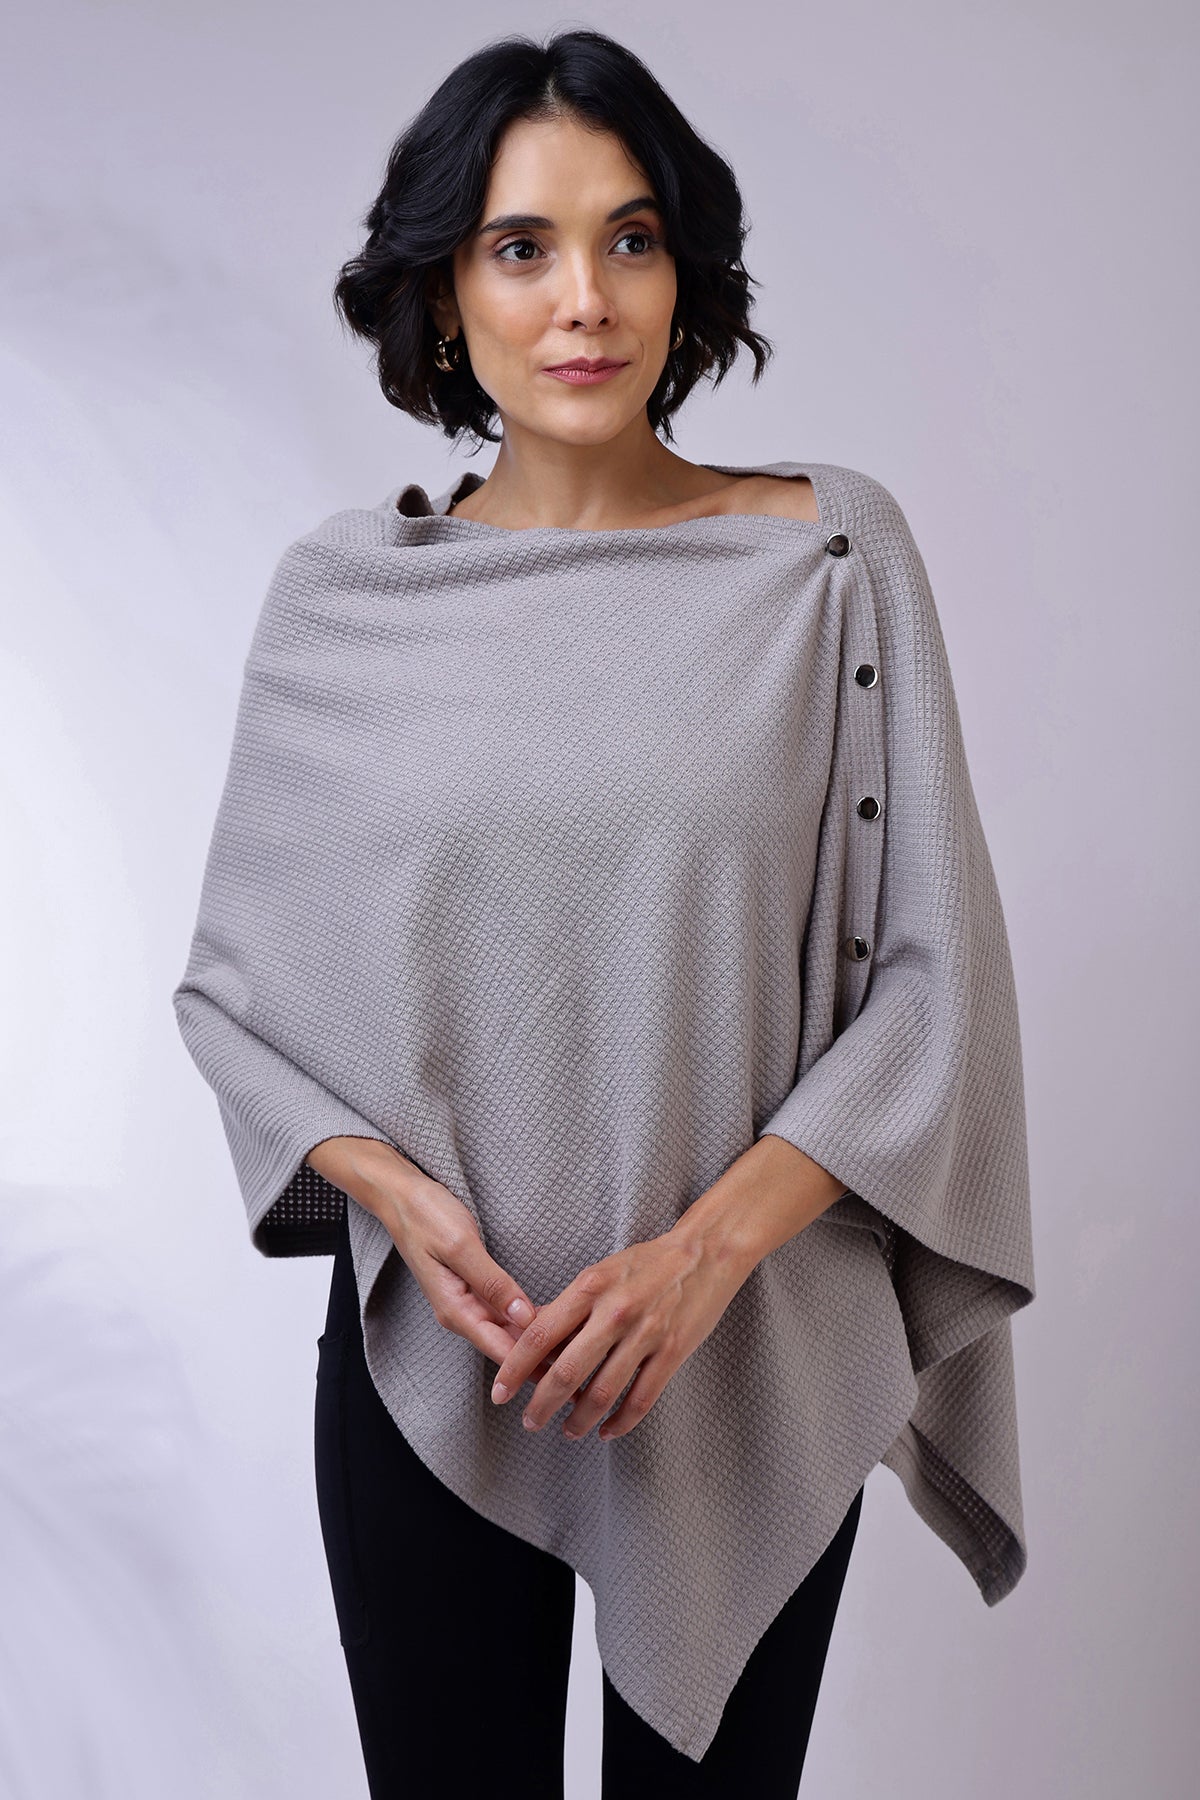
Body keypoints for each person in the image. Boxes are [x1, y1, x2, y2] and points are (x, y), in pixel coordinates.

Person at [172, 27, 1035, 1799]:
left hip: (752, 1348)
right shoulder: (345, 598)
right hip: (444, 1361)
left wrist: (701, 1259)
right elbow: (237, 999)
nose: (587, 298)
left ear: (685, 271)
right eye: (523, 247)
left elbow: (932, 986)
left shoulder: (831, 560)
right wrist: (392, 1194)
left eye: (632, 239)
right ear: (443, 296)